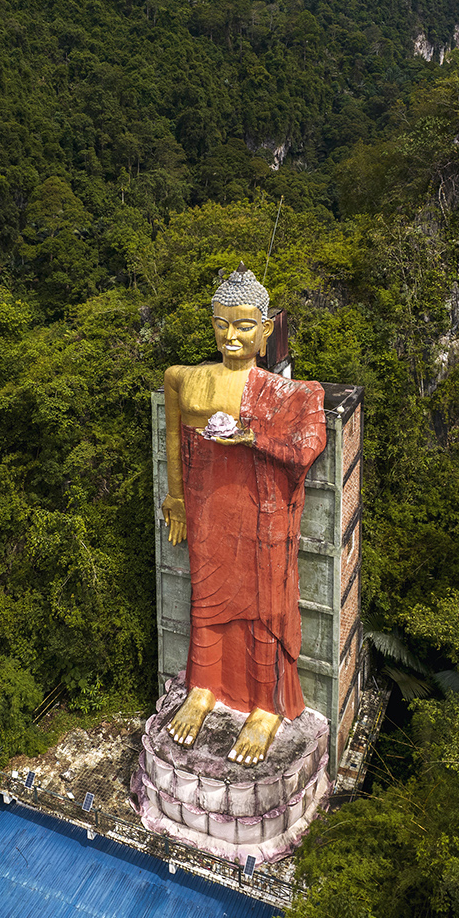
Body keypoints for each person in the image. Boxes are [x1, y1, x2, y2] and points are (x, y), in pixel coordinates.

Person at [161, 266, 326, 765]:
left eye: (245, 326)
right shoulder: (184, 378)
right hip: (208, 505)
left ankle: (263, 709)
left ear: (266, 329)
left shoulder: (281, 391)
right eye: (222, 324)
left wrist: (254, 437)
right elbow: (173, 437)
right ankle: (204, 688)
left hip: (259, 517)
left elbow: (309, 440)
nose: (231, 337)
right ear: (211, 323)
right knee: (207, 598)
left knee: (261, 607)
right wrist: (175, 500)